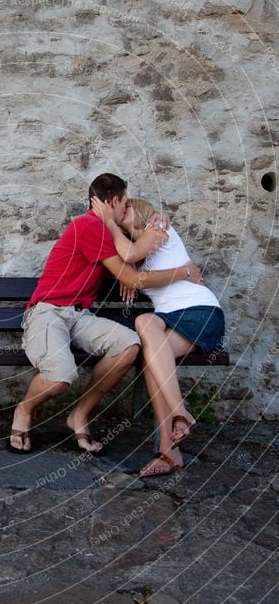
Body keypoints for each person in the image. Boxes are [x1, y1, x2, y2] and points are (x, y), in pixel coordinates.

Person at [8, 174, 203, 455]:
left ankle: (79, 414)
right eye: (124, 203)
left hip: (80, 316)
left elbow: (133, 249)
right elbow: (132, 274)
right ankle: (24, 409)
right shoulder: (89, 226)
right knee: (60, 377)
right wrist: (179, 272)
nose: (126, 210)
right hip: (48, 312)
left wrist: (160, 216)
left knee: (129, 345)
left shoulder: (108, 230)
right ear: (114, 201)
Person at [93, 196, 225, 477]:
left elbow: (129, 257)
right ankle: (176, 432)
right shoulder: (138, 251)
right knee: (145, 326)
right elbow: (131, 263)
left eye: (126, 208)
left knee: (152, 356)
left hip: (200, 312)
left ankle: (171, 444)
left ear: (141, 211)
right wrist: (132, 278)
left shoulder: (157, 227)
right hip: (170, 319)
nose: (120, 214)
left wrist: (109, 223)